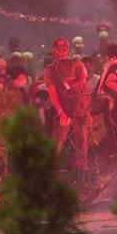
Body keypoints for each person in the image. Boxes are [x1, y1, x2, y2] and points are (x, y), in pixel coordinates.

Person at [43, 37, 91, 171]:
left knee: (82, 145)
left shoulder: (78, 64)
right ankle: (49, 173)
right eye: (58, 48)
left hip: (79, 111)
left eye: (64, 48)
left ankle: (81, 174)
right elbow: (53, 94)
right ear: (53, 50)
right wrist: (61, 111)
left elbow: (83, 90)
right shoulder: (50, 70)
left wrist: (86, 111)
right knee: (57, 144)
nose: (62, 51)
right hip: (64, 112)